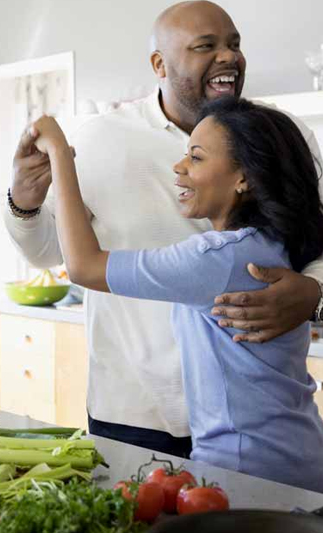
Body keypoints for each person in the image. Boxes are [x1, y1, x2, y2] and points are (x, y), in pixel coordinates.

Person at [4, 0, 323, 456]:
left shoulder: (283, 135)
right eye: (206, 46)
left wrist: (314, 292)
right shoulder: (100, 138)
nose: (229, 56)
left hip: (252, 419)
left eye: (234, 44)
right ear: (160, 64)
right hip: (134, 410)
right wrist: (24, 201)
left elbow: (316, 230)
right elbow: (48, 253)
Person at [30, 97, 323, 491]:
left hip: (242, 472)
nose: (179, 167)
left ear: (244, 179)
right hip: (301, 456)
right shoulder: (276, 243)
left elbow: (83, 265)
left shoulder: (216, 260)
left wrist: (60, 154)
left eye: (196, 158)